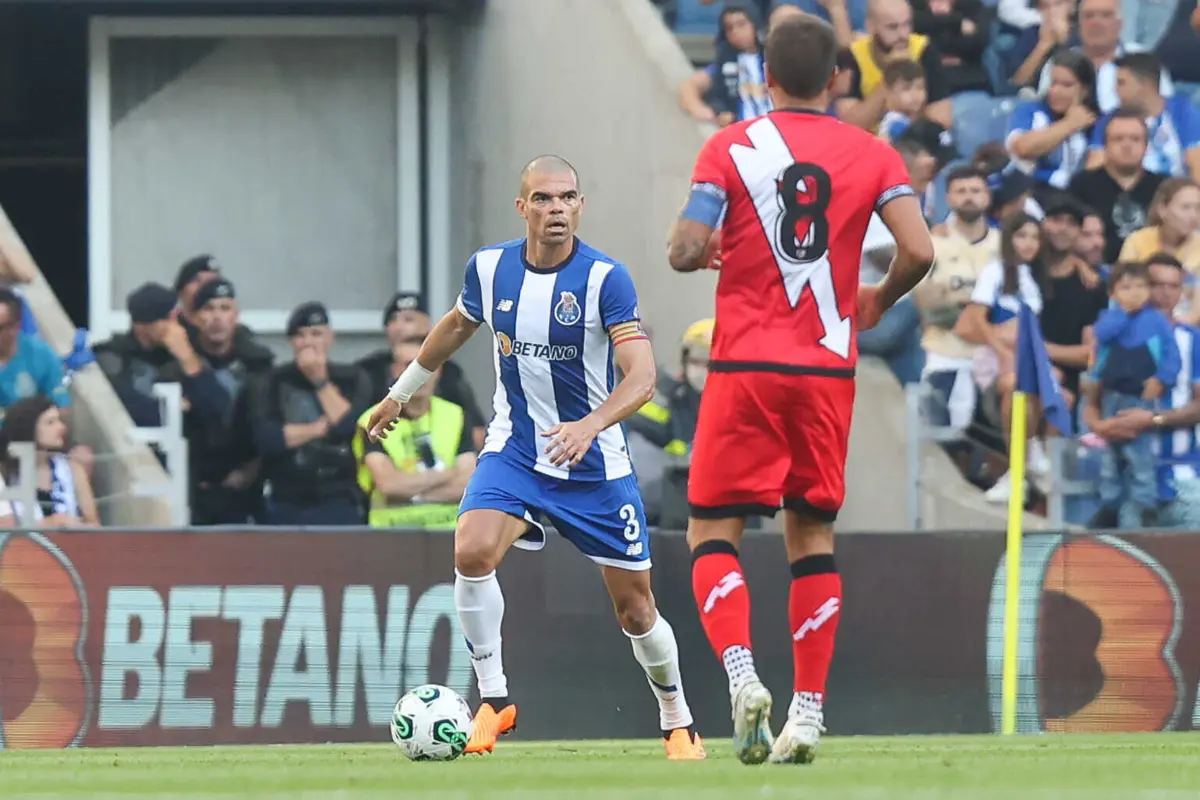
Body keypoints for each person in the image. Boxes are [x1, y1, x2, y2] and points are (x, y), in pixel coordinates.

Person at [364, 155, 706, 761]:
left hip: (595, 465)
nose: (557, 210)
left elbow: (644, 377)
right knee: (470, 549)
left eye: (568, 198)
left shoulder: (605, 279)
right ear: (522, 208)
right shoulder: (491, 268)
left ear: (581, 206)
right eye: (544, 199)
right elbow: (453, 327)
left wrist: (590, 425)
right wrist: (400, 393)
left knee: (636, 609)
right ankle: (495, 700)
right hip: (517, 448)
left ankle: (677, 719)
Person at [665, 14, 934, 764]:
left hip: (744, 367)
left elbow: (685, 248)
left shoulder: (731, 146)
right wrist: (878, 298)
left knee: (711, 531)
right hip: (826, 371)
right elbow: (919, 249)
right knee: (811, 534)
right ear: (840, 79)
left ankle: (743, 676)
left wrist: (708, 247)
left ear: (766, 77)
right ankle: (808, 712)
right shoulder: (874, 153)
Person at [252, 302, 373, 525]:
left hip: (339, 496)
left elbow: (351, 428)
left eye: (316, 334)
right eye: (301, 335)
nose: (308, 342)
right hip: (285, 498)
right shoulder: (273, 380)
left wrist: (320, 381)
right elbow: (267, 438)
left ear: (330, 338)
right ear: (291, 342)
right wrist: (321, 428)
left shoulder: (352, 377)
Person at [1088, 260, 1181, 528]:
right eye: (1126, 287)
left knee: (1139, 455)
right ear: (1113, 293)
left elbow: (1172, 357)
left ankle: (1145, 505)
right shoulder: (1110, 318)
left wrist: (1162, 379)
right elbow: (1102, 336)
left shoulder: (1157, 321)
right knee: (1110, 456)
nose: (1134, 293)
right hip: (1111, 395)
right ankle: (1110, 505)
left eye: (1141, 286)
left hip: (1140, 396)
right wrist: (1122, 311)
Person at [355, 339, 476, 529]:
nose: (420, 375)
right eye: (409, 366)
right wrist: (448, 474)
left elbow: (468, 485)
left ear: (440, 370)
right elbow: (389, 485)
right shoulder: (373, 419)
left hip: (448, 534)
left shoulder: (456, 415)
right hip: (392, 535)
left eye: (429, 365)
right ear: (395, 371)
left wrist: (412, 495)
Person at [355, 291, 487, 450]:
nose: (399, 327)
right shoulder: (370, 369)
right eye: (393, 320)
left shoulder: (450, 372)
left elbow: (477, 431)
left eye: (408, 319)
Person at [1068, 109, 1165, 265]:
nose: (1127, 145)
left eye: (1135, 139)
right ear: (1105, 145)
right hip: (1095, 273)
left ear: (1146, 146)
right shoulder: (1081, 184)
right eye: (1118, 139)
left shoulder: (1164, 186)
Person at [1006, 50, 1098, 192]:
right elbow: (1022, 148)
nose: (1055, 91)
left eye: (1066, 85)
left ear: (1085, 90)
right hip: (1032, 191)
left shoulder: (1097, 121)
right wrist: (1070, 124)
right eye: (1053, 83)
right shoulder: (1030, 110)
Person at [0, 396, 99, 527]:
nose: (61, 427)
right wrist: (50, 523)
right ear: (29, 428)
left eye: (59, 420)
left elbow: (94, 524)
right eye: (50, 422)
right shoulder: (4, 472)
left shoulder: (72, 467)